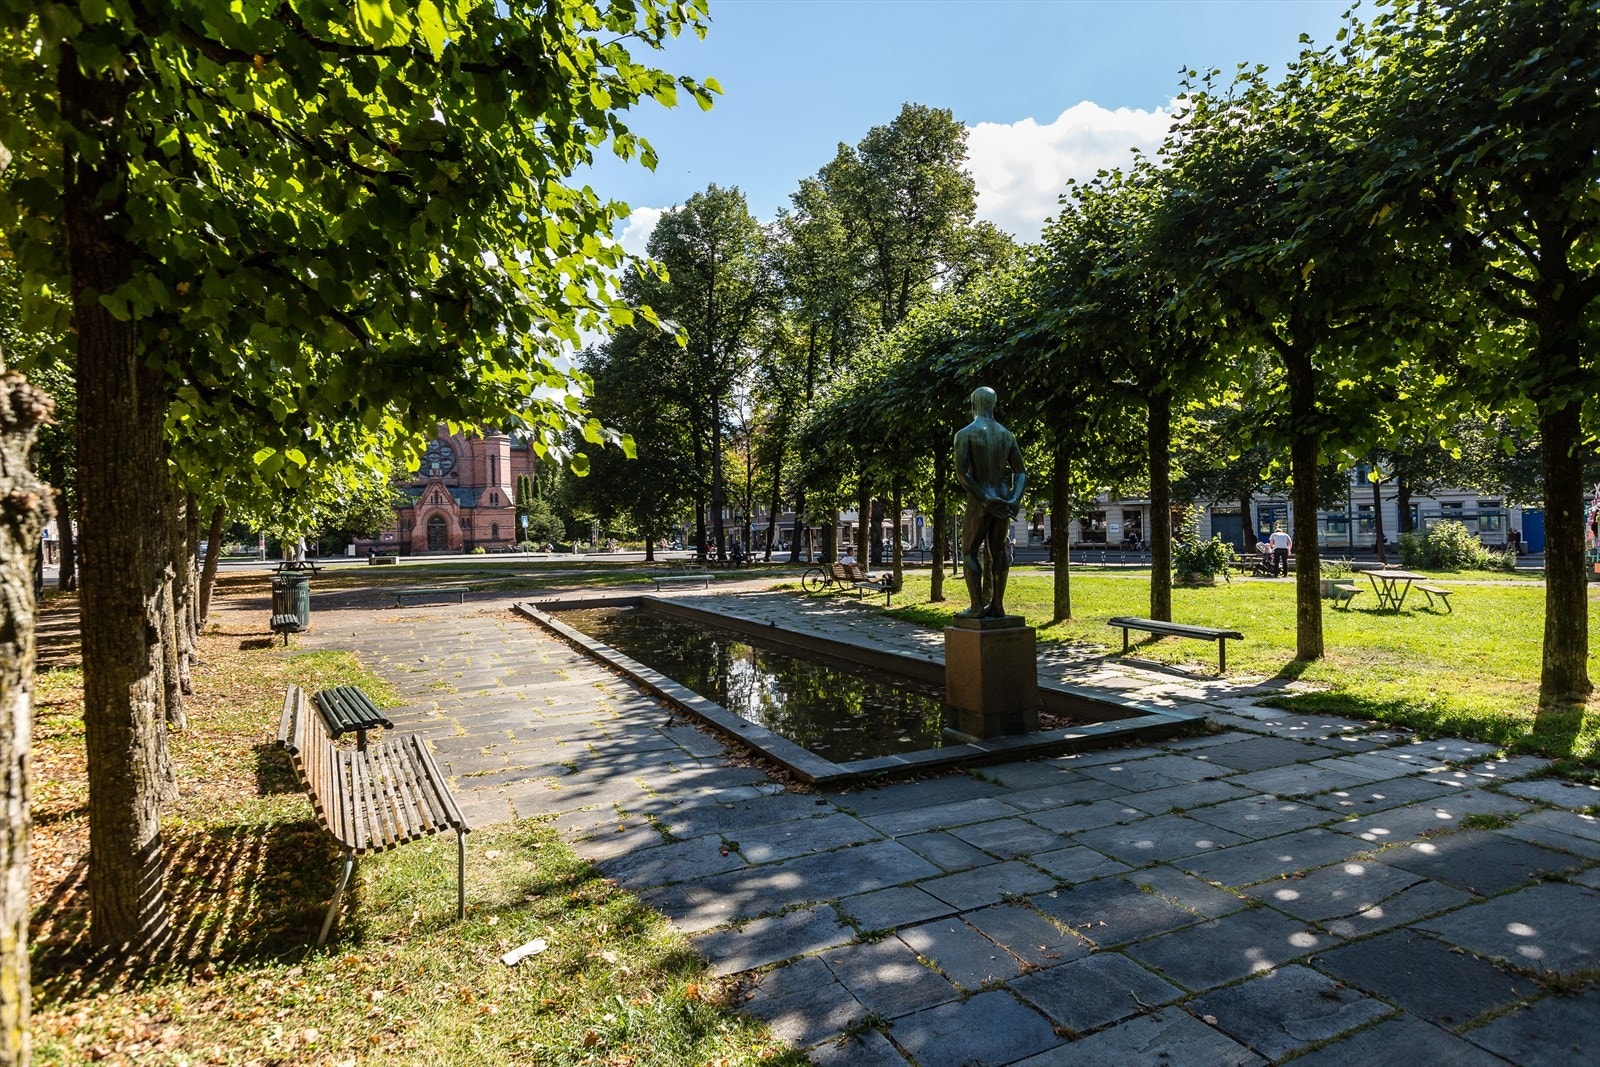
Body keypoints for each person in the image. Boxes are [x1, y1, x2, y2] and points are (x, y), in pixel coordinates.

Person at [954, 386, 1027, 618]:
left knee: (969, 552)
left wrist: (984, 498)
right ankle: (997, 605)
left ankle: (977, 606)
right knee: (999, 552)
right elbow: (1021, 472)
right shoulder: (1006, 435)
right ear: (993, 404)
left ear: (974, 404)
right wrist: (1014, 499)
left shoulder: (965, 434)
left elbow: (963, 474)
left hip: (980, 500)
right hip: (1004, 498)